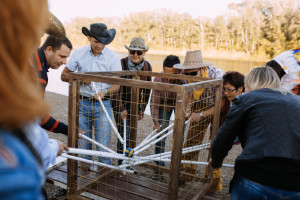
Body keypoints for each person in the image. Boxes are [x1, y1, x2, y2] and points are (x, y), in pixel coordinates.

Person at [0, 0, 68, 199]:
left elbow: (30, 132)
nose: (65, 62)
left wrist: (53, 146)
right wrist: (64, 131)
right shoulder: (32, 74)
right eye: (35, 34)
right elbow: (37, 121)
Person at [211, 67, 300, 199]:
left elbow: (223, 139)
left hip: (256, 174)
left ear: (249, 84)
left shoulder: (245, 100)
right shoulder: (297, 101)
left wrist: (216, 164)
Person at [61, 23, 121, 165]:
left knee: (104, 146)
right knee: (83, 145)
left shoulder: (113, 57)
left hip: (103, 105)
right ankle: (84, 177)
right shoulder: (78, 53)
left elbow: (117, 85)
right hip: (82, 103)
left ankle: (103, 178)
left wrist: (105, 92)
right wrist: (80, 78)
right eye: (96, 41)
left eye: (103, 42)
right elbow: (64, 76)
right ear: (88, 38)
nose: (100, 45)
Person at [173, 50, 224, 178]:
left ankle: (212, 180)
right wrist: (189, 107)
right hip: (200, 104)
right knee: (191, 140)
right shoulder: (186, 75)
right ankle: (186, 174)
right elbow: (189, 94)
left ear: (202, 69)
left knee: (215, 145)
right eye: (188, 73)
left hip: (219, 108)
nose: (191, 76)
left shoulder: (218, 76)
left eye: (194, 73)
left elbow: (222, 104)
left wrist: (201, 114)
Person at [111, 37, 152, 163]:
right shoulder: (120, 63)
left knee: (132, 133)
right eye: (132, 51)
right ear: (128, 51)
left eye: (139, 52)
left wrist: (142, 109)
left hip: (136, 104)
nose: (135, 55)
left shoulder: (147, 66)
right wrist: (121, 108)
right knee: (123, 134)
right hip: (120, 102)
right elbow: (115, 89)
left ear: (144, 53)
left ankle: (128, 161)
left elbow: (147, 91)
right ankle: (121, 162)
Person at [150, 55, 184, 180]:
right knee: (161, 134)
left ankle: (177, 169)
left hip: (180, 103)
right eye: (166, 72)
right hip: (164, 105)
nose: (168, 77)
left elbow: (188, 99)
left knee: (180, 135)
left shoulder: (183, 78)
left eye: (171, 74)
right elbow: (154, 101)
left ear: (178, 71)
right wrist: (155, 120)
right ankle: (158, 169)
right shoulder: (158, 79)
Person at [33, 35, 72, 135]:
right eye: (62, 56)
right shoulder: (39, 73)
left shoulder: (32, 55)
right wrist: (66, 130)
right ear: (49, 50)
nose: (65, 62)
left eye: (67, 57)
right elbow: (38, 115)